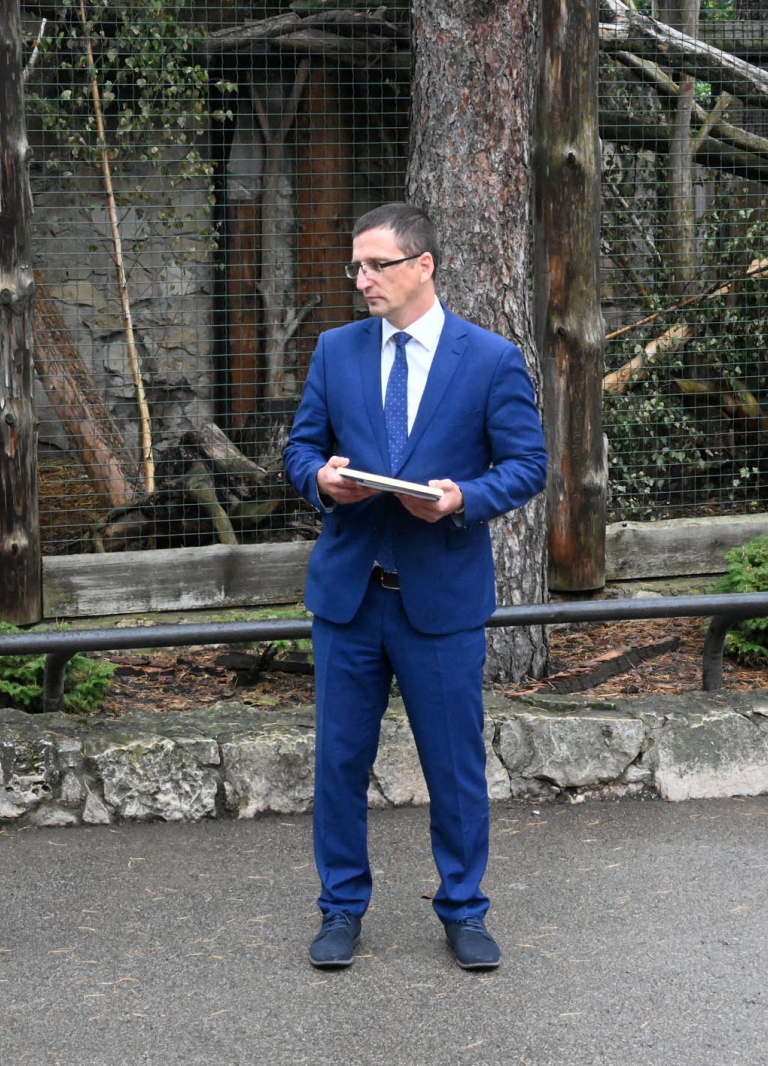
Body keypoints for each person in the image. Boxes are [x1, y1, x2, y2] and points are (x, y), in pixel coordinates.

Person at [283, 202, 548, 971]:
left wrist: (463, 498)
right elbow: (300, 450)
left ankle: (464, 910)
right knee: (339, 763)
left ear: (423, 265)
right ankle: (340, 909)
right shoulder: (335, 351)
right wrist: (322, 480)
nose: (361, 279)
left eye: (377, 265)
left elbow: (527, 465)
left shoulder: (491, 358)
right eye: (356, 266)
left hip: (440, 598)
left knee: (454, 768)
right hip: (349, 598)